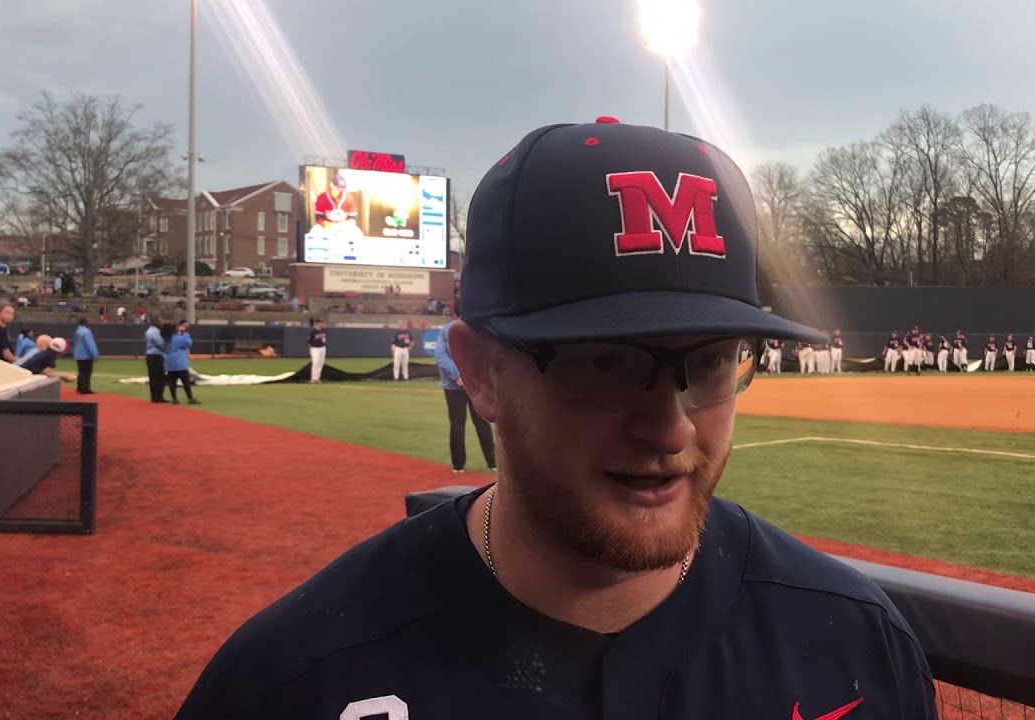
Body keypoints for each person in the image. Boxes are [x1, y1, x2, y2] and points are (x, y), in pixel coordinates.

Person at [173, 117, 937, 719]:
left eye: (709, 362)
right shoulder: (295, 678)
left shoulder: (854, 640)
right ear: (481, 373)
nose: (670, 429)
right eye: (606, 363)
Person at [433, 311, 496, 473]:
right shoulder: (479, 328)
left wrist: (459, 376)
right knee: (481, 422)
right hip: (473, 383)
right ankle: (493, 463)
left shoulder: (447, 329)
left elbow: (440, 356)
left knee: (458, 423)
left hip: (455, 384)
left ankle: (458, 465)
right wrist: (466, 376)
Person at [162, 321, 198, 405]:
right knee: (185, 381)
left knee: (172, 382)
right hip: (180, 363)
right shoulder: (177, 339)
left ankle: (174, 398)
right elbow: (188, 343)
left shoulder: (165, 340)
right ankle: (190, 398)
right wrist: (185, 333)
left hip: (169, 364)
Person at [72, 318, 100, 394]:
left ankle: (80, 388)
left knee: (81, 372)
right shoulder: (87, 332)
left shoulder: (77, 331)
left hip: (78, 354)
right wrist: (95, 354)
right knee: (87, 372)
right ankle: (85, 389)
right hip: (86, 355)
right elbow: (90, 344)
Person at [144, 315, 167, 403]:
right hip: (156, 355)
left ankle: (155, 396)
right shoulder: (155, 332)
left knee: (153, 376)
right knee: (159, 376)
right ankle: (158, 396)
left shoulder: (149, 331)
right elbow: (160, 343)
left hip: (151, 355)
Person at [307, 319, 327, 383]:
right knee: (315, 362)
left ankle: (317, 378)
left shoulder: (323, 330)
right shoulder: (313, 331)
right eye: (320, 323)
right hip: (315, 348)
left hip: (322, 348)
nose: (321, 324)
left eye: (321, 322)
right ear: (316, 323)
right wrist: (312, 346)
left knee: (321, 363)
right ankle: (313, 378)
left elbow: (324, 339)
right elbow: (309, 340)